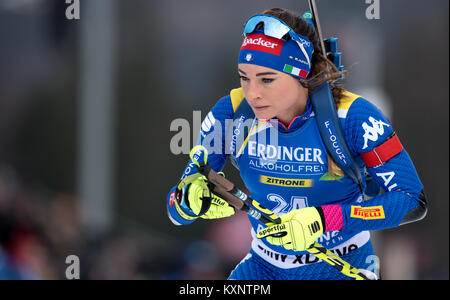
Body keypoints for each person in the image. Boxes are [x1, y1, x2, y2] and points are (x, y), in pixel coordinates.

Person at [166, 7, 427, 280]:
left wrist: (327, 219)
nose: (252, 93)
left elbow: (411, 200)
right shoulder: (231, 112)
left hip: (338, 265)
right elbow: (176, 209)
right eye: (245, 77)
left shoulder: (352, 117)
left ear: (300, 74)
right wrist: (190, 201)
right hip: (263, 267)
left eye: (267, 79)